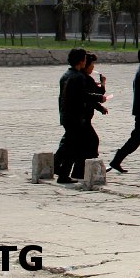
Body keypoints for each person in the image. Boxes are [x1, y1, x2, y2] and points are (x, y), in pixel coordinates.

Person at [70, 54, 109, 178]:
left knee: (83, 144)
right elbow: (92, 95)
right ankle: (88, 169)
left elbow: (89, 98)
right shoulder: (83, 78)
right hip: (82, 117)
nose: (93, 67)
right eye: (91, 65)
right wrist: (103, 83)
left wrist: (99, 108)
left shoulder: (82, 77)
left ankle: (80, 171)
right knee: (91, 142)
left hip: (81, 117)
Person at [53, 48, 88, 183]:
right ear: (81, 61)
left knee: (66, 145)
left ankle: (55, 166)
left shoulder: (66, 75)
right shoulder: (79, 77)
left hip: (65, 115)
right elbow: (82, 98)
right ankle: (63, 174)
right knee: (73, 147)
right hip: (75, 116)